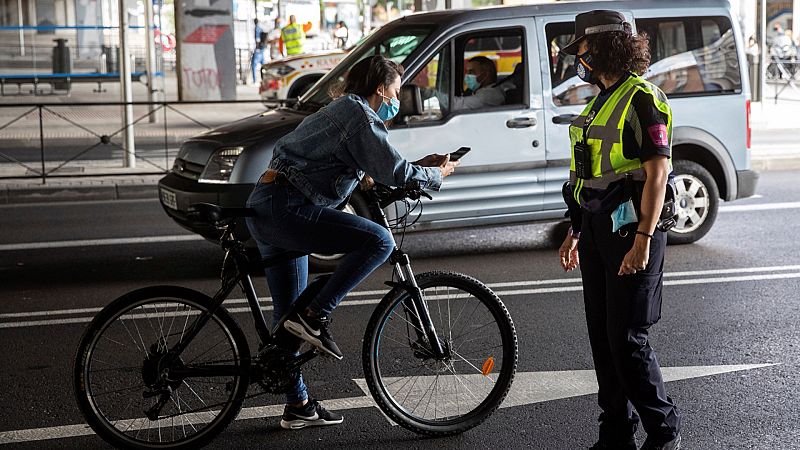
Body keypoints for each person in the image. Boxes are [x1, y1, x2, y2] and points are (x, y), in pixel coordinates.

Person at [245, 55, 458, 429]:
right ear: (381, 89)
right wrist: (434, 174)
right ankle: (316, 315)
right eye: (395, 91)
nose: (396, 98)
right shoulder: (360, 115)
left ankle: (299, 405)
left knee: (286, 320)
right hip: (287, 207)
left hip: (271, 204)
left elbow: (375, 169)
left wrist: (413, 167)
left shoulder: (343, 109)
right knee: (378, 241)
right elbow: (393, 169)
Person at [557, 10, 681, 450]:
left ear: (605, 48)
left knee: (626, 340)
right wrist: (575, 231)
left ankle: (664, 433)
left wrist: (645, 239)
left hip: (631, 232)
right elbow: (588, 175)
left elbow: (658, 173)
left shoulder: (643, 98)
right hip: (594, 230)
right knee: (602, 339)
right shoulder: (598, 102)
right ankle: (615, 435)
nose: (579, 60)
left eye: (583, 51)